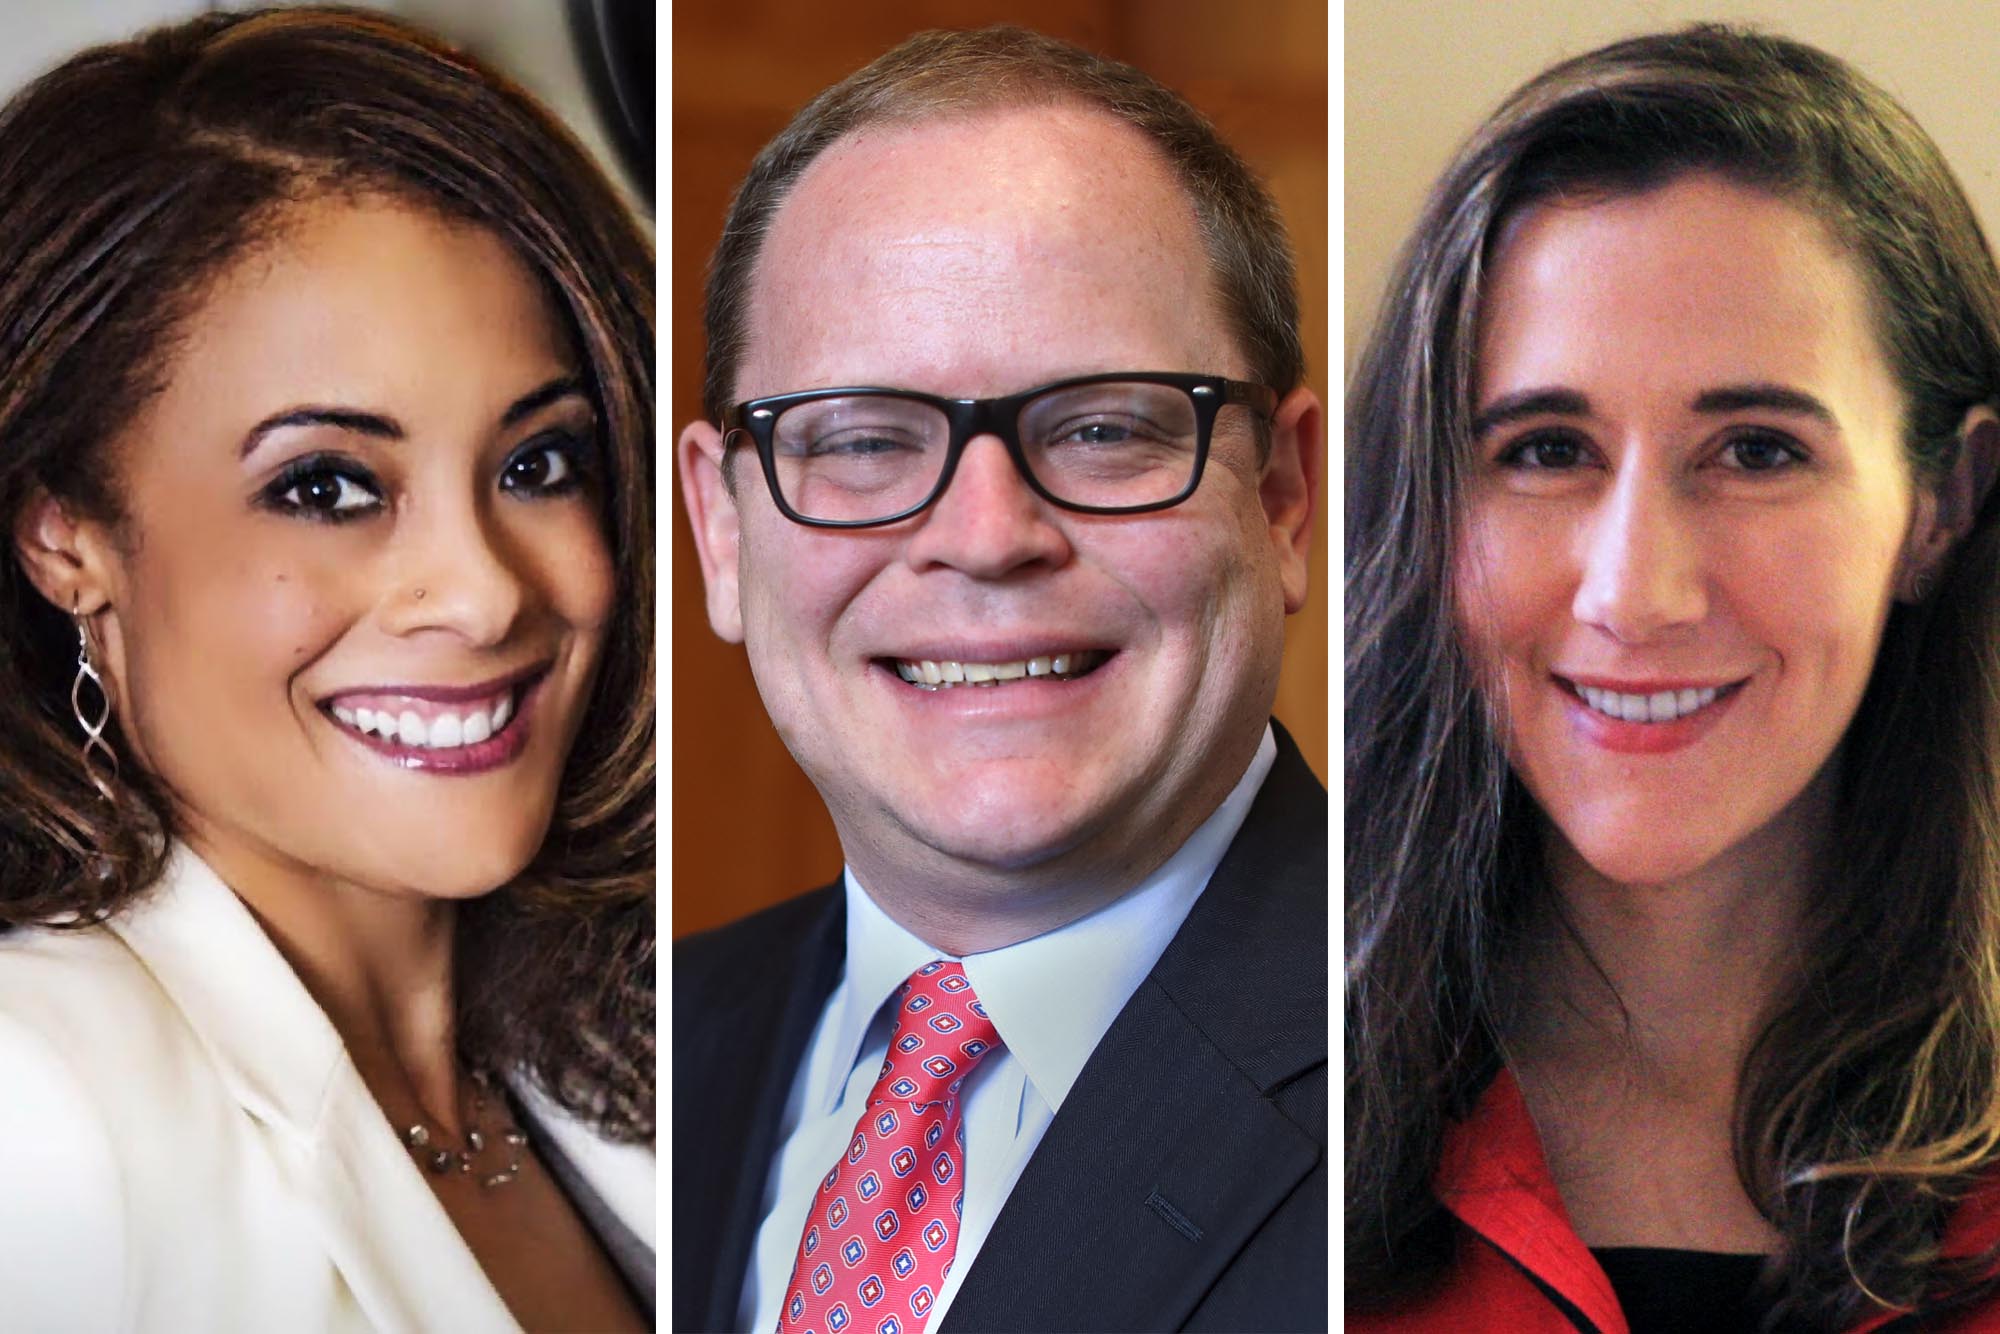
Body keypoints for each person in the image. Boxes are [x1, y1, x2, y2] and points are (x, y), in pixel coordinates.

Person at [0, 9, 654, 1329]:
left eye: (538, 464)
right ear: (66, 538)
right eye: (327, 485)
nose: (480, 592)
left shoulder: (622, 1052)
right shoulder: (43, 1105)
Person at [1346, 23, 2000, 1333]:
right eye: (1543, 448)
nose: (1633, 591)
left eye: (1756, 450)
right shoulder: (1262, 1114)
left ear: (1943, 504)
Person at [674, 25, 1326, 1334]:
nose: (985, 534)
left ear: (1284, 496)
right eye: (861, 439)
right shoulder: (652, 1055)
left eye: (1100, 428)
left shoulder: (1434, 1060)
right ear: (723, 532)